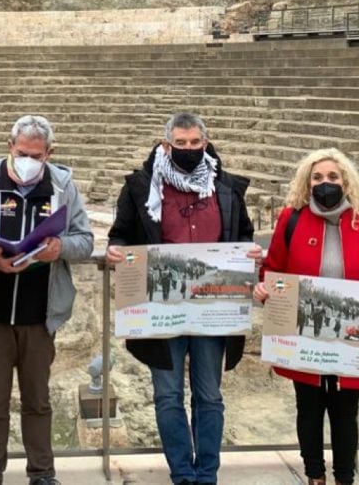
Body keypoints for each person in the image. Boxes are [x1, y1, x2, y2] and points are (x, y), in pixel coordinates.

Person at [255, 148, 359, 485]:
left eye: (333, 177)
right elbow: (273, 269)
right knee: (308, 407)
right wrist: (265, 289)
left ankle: (345, 477)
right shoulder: (291, 219)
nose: (325, 183)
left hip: (353, 337)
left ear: (346, 181)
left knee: (346, 410)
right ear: (307, 182)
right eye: (318, 177)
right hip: (305, 334)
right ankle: (314, 475)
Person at [106, 112, 258, 485]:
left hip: (213, 309)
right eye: (180, 144)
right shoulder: (141, 188)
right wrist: (115, 250)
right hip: (162, 310)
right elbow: (121, 233)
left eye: (194, 143)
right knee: (168, 395)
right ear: (166, 145)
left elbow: (244, 236)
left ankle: (207, 474)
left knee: (209, 395)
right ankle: (182, 474)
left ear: (205, 144)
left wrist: (248, 254)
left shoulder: (227, 190)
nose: (188, 150)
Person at [0, 115, 94, 485]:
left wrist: (59, 248)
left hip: (39, 316)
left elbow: (86, 241)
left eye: (36, 154)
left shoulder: (63, 186)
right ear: (9, 147)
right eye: (21, 153)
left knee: (38, 400)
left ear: (49, 153)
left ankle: (43, 474)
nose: (28, 160)